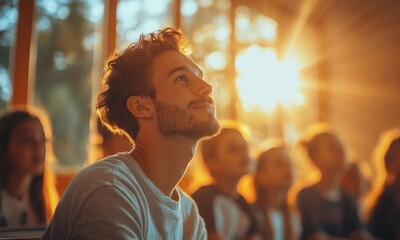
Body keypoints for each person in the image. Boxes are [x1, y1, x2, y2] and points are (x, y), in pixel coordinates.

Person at [42, 27, 220, 239]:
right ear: (141, 107)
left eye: (200, 77)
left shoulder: (188, 215)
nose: (207, 87)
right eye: (181, 79)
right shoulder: (110, 188)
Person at [296, 126, 372, 240]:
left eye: (341, 145)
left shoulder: (347, 198)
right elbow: (316, 237)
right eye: (332, 147)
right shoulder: (306, 195)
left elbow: (360, 235)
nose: (341, 150)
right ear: (314, 157)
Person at [192, 124, 261, 240]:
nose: (243, 152)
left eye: (245, 147)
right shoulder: (203, 198)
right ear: (211, 162)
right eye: (233, 149)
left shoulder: (246, 206)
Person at [0, 107, 58, 228]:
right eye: (26, 140)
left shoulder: (43, 204)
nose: (38, 147)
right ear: (4, 147)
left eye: (43, 140)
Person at [253, 145, 299, 240]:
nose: (287, 167)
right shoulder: (253, 215)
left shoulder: (294, 216)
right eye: (279, 164)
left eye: (289, 163)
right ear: (261, 176)